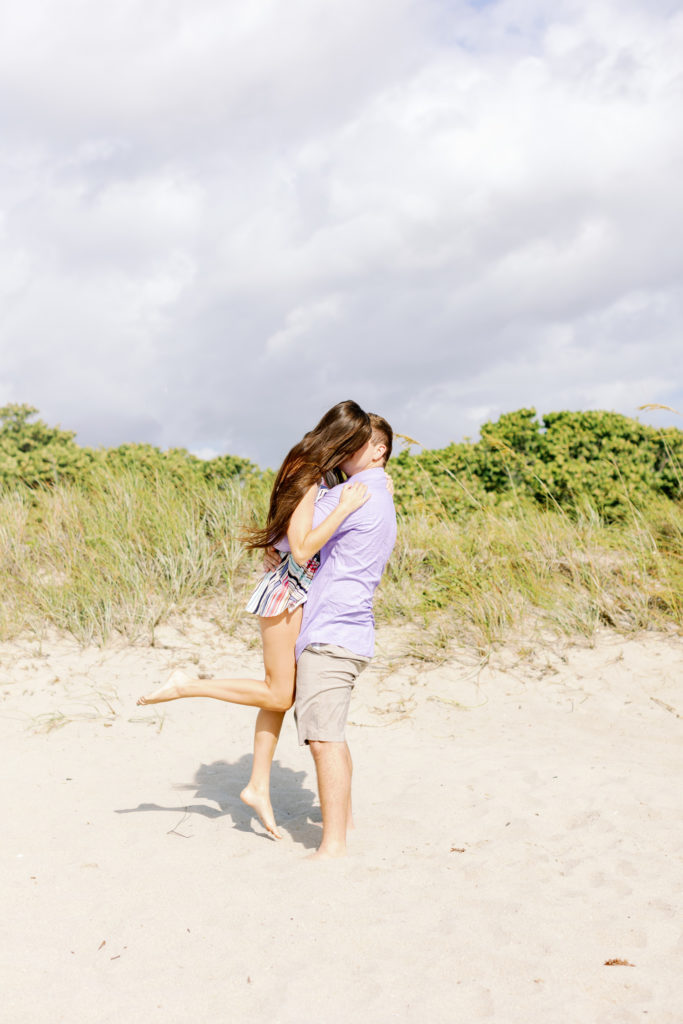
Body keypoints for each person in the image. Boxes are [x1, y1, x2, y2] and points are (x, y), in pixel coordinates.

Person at [137, 401, 388, 838]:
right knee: (278, 693)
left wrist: (278, 539)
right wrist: (344, 510)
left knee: (278, 693)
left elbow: (289, 527)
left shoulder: (310, 466)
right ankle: (187, 685)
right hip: (290, 586)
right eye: (355, 441)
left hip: (297, 585)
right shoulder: (311, 471)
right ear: (342, 437)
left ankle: (257, 784)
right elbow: (305, 545)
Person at [293, 414, 396, 860]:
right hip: (353, 630)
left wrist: (308, 479)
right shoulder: (381, 493)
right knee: (332, 733)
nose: (348, 445)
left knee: (323, 739)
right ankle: (345, 823)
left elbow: (290, 542)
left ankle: (332, 845)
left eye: (360, 441)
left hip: (332, 630)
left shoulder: (347, 495)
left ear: (379, 451)